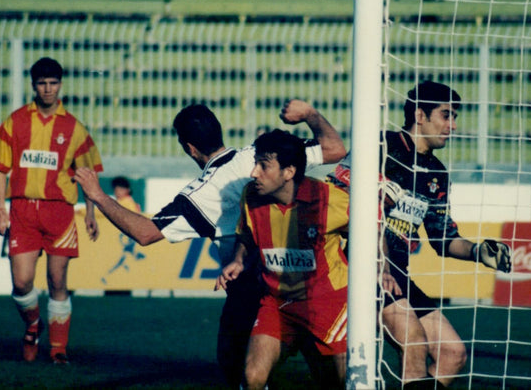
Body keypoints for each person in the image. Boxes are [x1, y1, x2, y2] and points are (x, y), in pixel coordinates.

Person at [73, 100, 346, 387]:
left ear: (189, 147)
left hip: (258, 289)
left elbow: (145, 232)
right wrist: (310, 115)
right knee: (319, 374)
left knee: (239, 367)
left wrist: (99, 196)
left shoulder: (204, 192)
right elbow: (335, 149)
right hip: (306, 284)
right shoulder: (260, 156)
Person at [328, 81, 511, 387]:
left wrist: (479, 252)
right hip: (356, 265)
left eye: (455, 117)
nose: (452, 126)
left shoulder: (437, 173)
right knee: (414, 344)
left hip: (397, 273)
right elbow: (338, 192)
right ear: (420, 115)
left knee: (453, 353)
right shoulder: (381, 148)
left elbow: (442, 238)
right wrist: (378, 262)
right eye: (446, 115)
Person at [0, 57, 103, 364]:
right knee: (22, 283)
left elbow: (88, 173)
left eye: (53, 83)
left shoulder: (73, 127)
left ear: (60, 85)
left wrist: (90, 212)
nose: (48, 89)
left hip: (60, 214)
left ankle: (59, 348)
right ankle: (32, 326)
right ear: (33, 85)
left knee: (57, 281)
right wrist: (0, 207)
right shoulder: (16, 120)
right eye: (42, 83)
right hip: (22, 211)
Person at [216, 129, 350, 389]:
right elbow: (247, 234)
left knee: (342, 381)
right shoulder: (251, 196)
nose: (254, 172)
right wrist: (238, 260)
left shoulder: (329, 199)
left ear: (288, 172)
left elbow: (372, 231)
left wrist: (383, 269)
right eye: (255, 163)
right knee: (253, 376)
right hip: (277, 302)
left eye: (263, 165)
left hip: (328, 302)